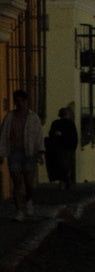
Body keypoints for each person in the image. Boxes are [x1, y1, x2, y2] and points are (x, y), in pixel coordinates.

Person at [0, 89, 44, 221]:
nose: (19, 104)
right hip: (14, 152)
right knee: (17, 182)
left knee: (29, 183)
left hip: (29, 152)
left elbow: (38, 136)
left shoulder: (33, 118)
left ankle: (29, 200)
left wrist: (40, 152)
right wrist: (2, 153)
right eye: (17, 101)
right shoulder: (9, 117)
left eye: (22, 101)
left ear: (26, 101)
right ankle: (19, 210)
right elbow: (4, 136)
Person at [45, 106, 79, 192]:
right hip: (66, 148)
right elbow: (74, 137)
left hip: (59, 148)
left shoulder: (55, 123)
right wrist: (73, 147)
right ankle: (65, 181)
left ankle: (63, 182)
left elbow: (51, 134)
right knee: (66, 166)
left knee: (61, 166)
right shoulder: (70, 124)